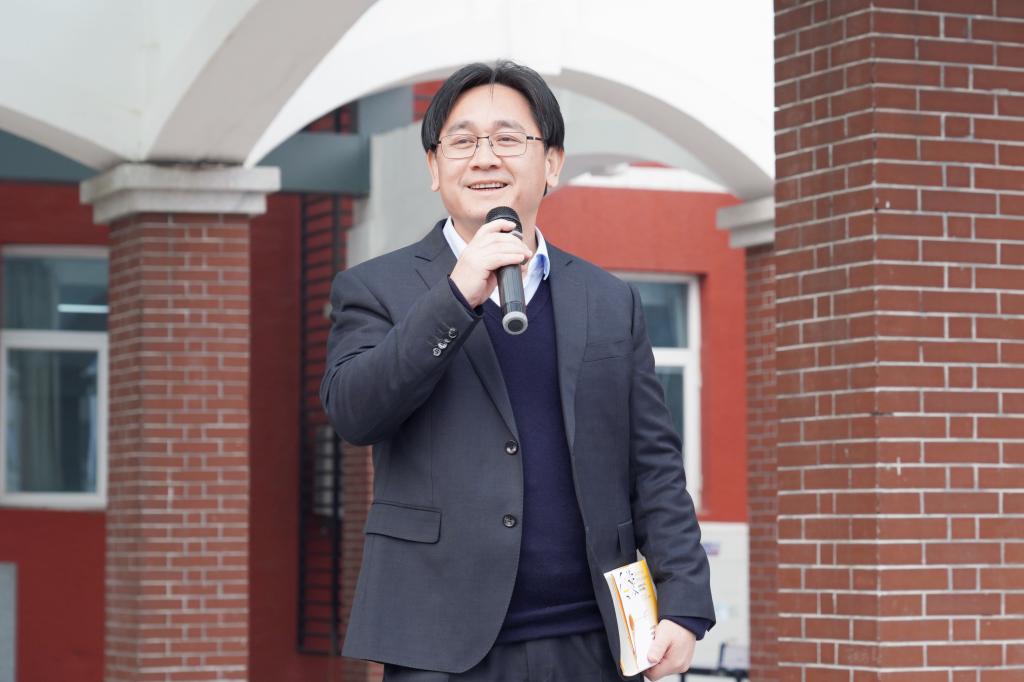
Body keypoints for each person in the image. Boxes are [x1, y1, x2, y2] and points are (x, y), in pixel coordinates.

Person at [320, 61, 715, 681]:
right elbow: (354, 411)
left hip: (592, 640)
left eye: (508, 138)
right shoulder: (375, 287)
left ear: (552, 163)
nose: (485, 158)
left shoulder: (610, 300)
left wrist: (685, 603)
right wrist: (456, 296)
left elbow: (655, 465)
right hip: (439, 644)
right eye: (462, 141)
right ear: (434, 167)